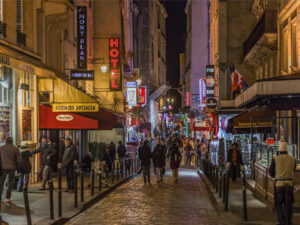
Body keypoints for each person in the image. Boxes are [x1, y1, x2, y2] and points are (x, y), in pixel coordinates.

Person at [269, 141, 296, 225]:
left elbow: (271, 171)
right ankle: (288, 221)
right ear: (287, 150)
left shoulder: (275, 159)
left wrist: (275, 176)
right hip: (289, 183)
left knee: (278, 203)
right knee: (289, 204)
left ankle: (281, 221)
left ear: (279, 150)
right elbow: (293, 169)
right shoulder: (293, 159)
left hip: (279, 184)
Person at [0, 137, 22, 203]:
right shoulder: (15, 149)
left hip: (2, 167)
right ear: (12, 141)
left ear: (6, 141)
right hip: (12, 167)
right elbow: (19, 160)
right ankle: (7, 197)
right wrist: (18, 168)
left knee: (1, 182)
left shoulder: (1, 148)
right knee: (10, 182)